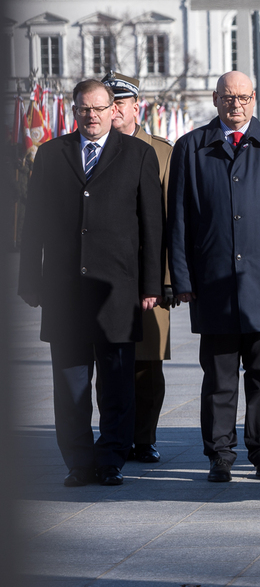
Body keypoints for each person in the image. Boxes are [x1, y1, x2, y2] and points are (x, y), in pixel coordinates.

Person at [19, 79, 162, 487]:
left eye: (100, 108)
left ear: (113, 110)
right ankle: (79, 463)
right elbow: (33, 223)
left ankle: (111, 459)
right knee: (70, 387)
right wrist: (29, 280)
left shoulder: (138, 154)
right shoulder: (51, 154)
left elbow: (152, 225)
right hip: (64, 292)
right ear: (75, 110)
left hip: (116, 292)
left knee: (117, 386)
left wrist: (152, 284)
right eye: (85, 108)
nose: (92, 116)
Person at [167, 71, 260, 483]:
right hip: (214, 283)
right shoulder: (191, 147)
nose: (236, 105)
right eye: (228, 97)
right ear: (215, 99)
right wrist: (182, 278)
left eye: (243, 97)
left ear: (254, 98)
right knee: (219, 378)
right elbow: (179, 219)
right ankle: (220, 455)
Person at [101, 71, 174, 464]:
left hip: (149, 277)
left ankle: (143, 438)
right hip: (106, 278)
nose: (114, 110)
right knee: (111, 364)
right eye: (108, 103)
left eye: (120, 103)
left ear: (135, 107)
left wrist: (167, 279)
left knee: (147, 364)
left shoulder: (161, 152)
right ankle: (115, 436)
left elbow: (173, 220)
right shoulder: (93, 148)